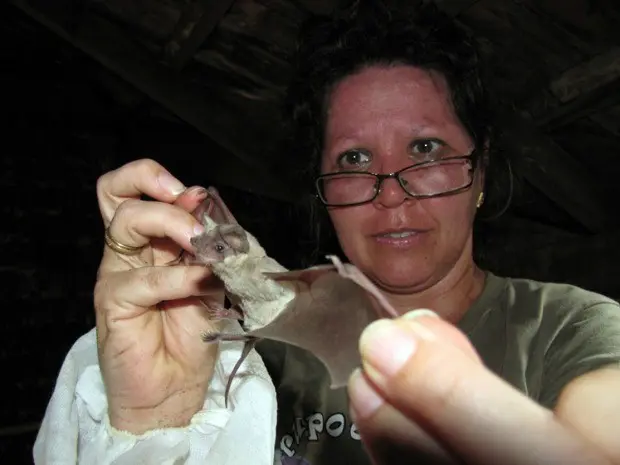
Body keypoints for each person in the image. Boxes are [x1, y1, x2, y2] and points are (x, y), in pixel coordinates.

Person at [34, 1, 620, 464]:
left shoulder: (570, 330)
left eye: (425, 148)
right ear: (323, 190)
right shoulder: (257, 359)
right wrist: (156, 421)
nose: (390, 192)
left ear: (481, 171)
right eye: (354, 160)